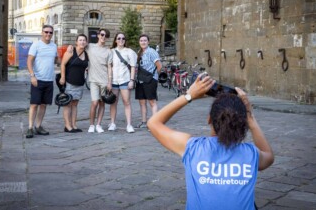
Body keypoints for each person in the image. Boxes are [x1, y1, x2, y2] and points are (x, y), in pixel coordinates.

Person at [147, 74, 275, 209]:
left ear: (209, 119)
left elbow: (153, 123)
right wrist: (250, 117)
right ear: (243, 123)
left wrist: (189, 95)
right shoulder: (251, 154)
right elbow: (269, 156)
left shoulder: (193, 148)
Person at [26, 25, 59, 138]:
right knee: (34, 104)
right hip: (37, 80)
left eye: (50, 32)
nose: (48, 34)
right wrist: (32, 76)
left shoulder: (54, 46)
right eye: (46, 32)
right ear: (42, 32)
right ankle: (30, 127)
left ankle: (38, 126)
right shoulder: (36, 45)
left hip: (49, 80)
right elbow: (29, 61)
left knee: (44, 105)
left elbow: (56, 59)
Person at [59, 34, 89, 133]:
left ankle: (74, 125)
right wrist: (63, 77)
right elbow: (63, 64)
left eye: (84, 40)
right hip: (69, 81)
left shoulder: (86, 53)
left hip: (80, 83)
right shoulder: (71, 51)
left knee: (75, 104)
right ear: (76, 42)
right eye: (80, 40)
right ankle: (67, 126)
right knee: (67, 104)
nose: (82, 42)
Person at [109, 32, 137, 133]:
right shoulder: (111, 51)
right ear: (115, 40)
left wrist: (132, 80)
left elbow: (133, 67)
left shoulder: (129, 52)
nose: (121, 40)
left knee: (127, 102)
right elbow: (109, 66)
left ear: (125, 40)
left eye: (123, 38)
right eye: (119, 38)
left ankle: (129, 125)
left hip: (125, 79)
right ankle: (112, 123)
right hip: (114, 80)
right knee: (113, 102)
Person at [86, 28, 113, 133]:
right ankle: (91, 125)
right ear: (98, 35)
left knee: (102, 103)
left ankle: (98, 125)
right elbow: (79, 47)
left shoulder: (108, 51)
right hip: (93, 80)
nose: (103, 37)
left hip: (104, 80)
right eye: (102, 34)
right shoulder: (90, 47)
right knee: (95, 102)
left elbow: (109, 67)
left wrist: (110, 82)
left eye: (106, 35)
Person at [135, 34, 162, 128]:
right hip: (141, 80)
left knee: (152, 102)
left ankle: (154, 124)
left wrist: (154, 77)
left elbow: (159, 66)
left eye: (145, 40)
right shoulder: (140, 52)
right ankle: (144, 122)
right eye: (141, 40)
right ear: (139, 42)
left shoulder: (152, 52)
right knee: (142, 102)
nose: (143, 42)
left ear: (148, 42)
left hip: (150, 80)